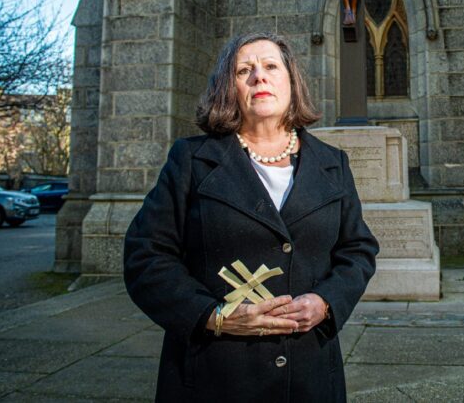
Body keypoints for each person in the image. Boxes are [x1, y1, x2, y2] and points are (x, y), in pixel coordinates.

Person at [124, 32, 379, 402]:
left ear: (292, 82)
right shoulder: (191, 160)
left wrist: (325, 303)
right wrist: (214, 316)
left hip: (309, 374)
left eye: (271, 66)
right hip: (215, 373)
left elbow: (357, 250)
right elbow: (145, 257)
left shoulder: (332, 164)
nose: (259, 76)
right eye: (244, 70)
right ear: (228, 89)